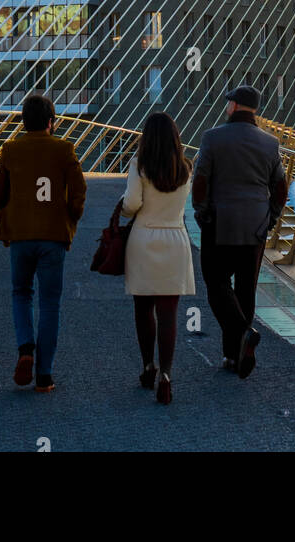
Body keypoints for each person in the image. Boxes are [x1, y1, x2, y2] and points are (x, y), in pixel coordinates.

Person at [0, 90, 86, 394]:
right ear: (51, 122)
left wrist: (4, 217)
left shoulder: (10, 150)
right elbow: (79, 193)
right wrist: (70, 220)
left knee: (21, 293)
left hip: (20, 235)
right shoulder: (64, 150)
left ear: (23, 122)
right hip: (53, 236)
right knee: (50, 302)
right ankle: (44, 375)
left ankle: (25, 348)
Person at [192, 84, 287, 379]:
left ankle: (241, 337)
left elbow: (200, 181)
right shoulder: (270, 144)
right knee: (245, 289)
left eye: (228, 102)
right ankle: (234, 355)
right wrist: (271, 217)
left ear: (233, 106)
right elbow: (281, 187)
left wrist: (201, 211)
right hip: (256, 226)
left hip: (219, 222)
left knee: (216, 283)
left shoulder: (212, 138)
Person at [121, 111, 195, 406]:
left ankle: (148, 366)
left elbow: (131, 205)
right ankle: (166, 374)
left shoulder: (139, 165)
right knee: (169, 314)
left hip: (144, 239)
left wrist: (123, 208)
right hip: (175, 240)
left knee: (143, 309)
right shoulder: (186, 168)